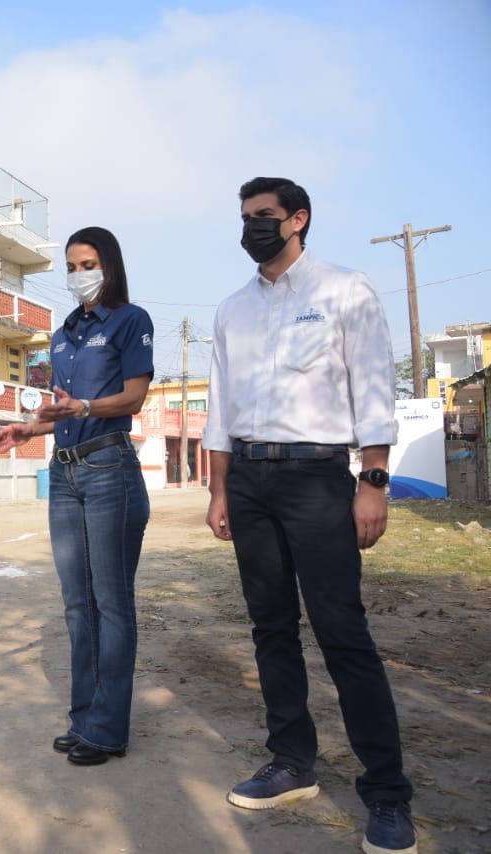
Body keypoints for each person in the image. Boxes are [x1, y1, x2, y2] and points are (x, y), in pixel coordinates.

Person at [204, 178, 414, 854]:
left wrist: (373, 482)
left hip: (318, 477)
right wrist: (217, 490)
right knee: (270, 627)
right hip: (250, 481)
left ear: (298, 220)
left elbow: (373, 386)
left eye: (264, 217)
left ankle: (386, 793)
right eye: (245, 218)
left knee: (341, 631)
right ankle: (292, 762)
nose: (252, 228)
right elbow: (218, 409)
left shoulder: (344, 290)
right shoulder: (232, 310)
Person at [0, 226, 153, 767]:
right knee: (76, 604)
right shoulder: (63, 334)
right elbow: (61, 407)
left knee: (111, 601)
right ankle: (84, 718)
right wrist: (29, 430)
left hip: (110, 469)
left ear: (108, 264)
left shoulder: (131, 321)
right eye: (72, 265)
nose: (79, 274)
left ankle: (108, 729)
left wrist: (83, 408)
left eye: (88, 263)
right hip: (64, 475)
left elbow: (132, 396)